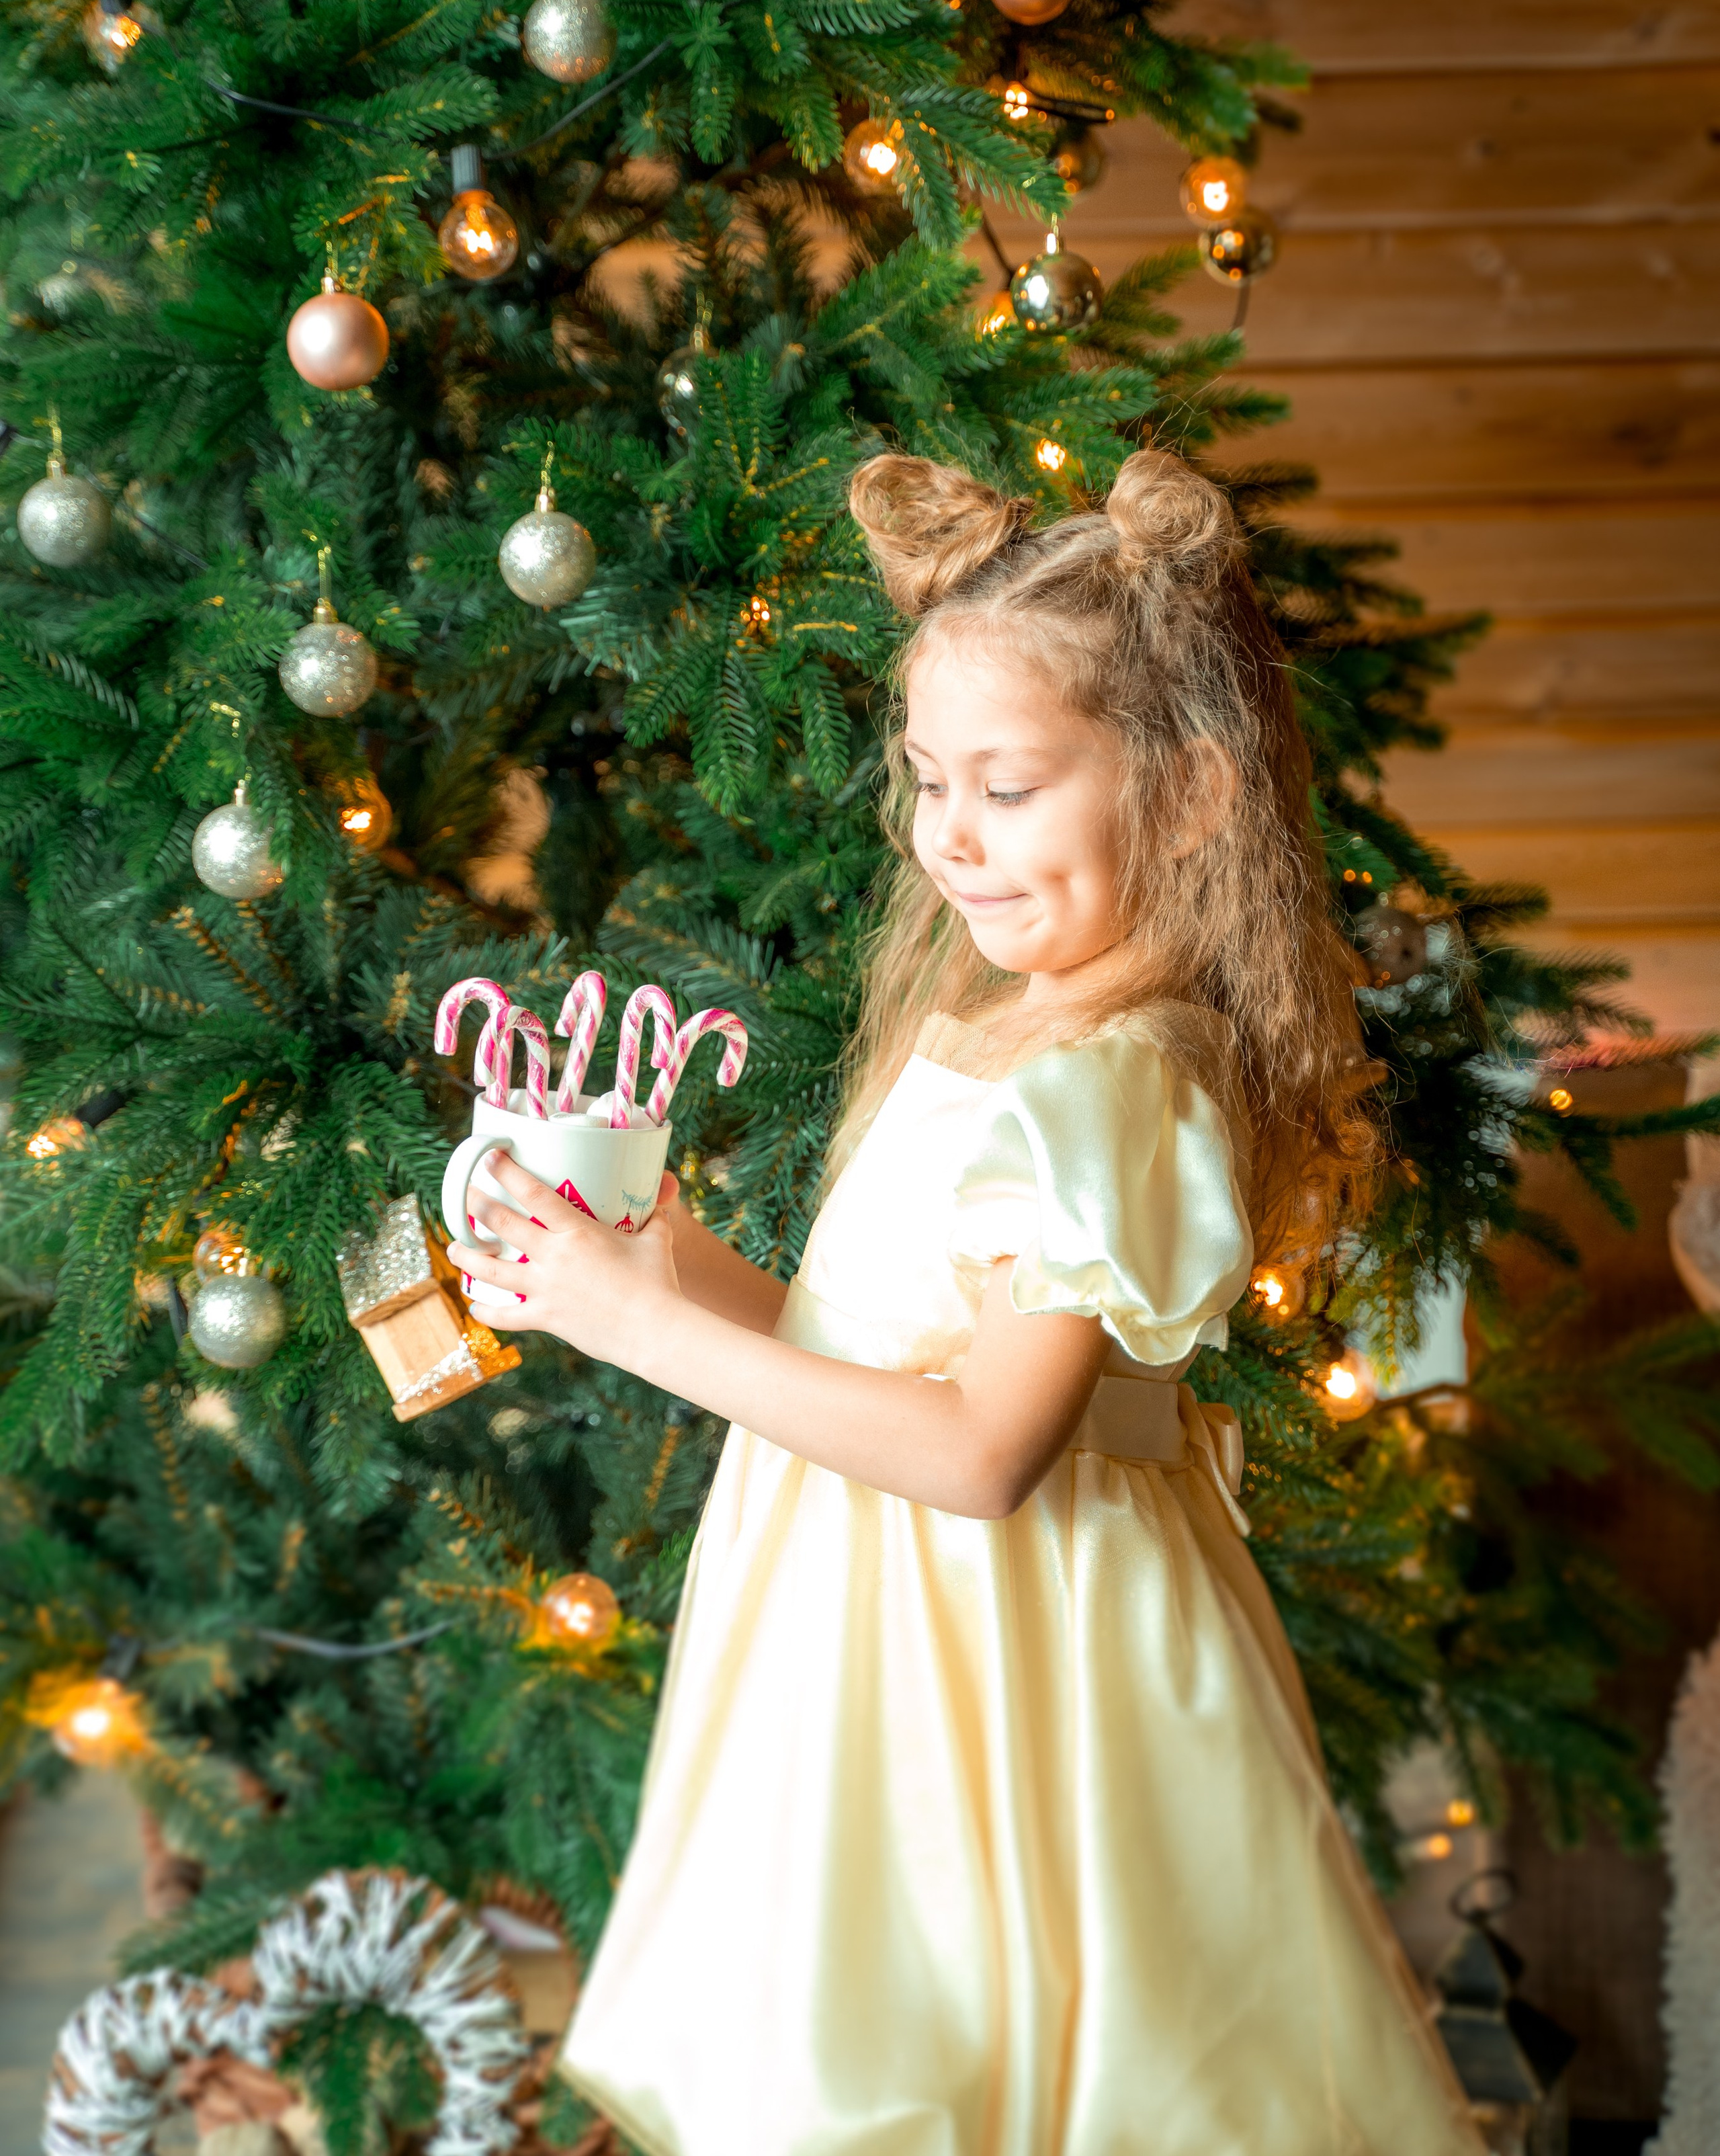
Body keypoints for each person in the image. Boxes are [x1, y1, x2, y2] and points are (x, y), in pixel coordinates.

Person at [449, 448, 1484, 2156]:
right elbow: (866, 1354)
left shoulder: (1114, 1080)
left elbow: (989, 1450)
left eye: (1006, 787)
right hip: (884, 1631)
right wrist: (654, 1259)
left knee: (1014, 2064)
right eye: (929, 779)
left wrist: (639, 1330)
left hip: (1007, 1665)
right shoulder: (1014, 1032)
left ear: (1194, 793)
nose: (949, 838)